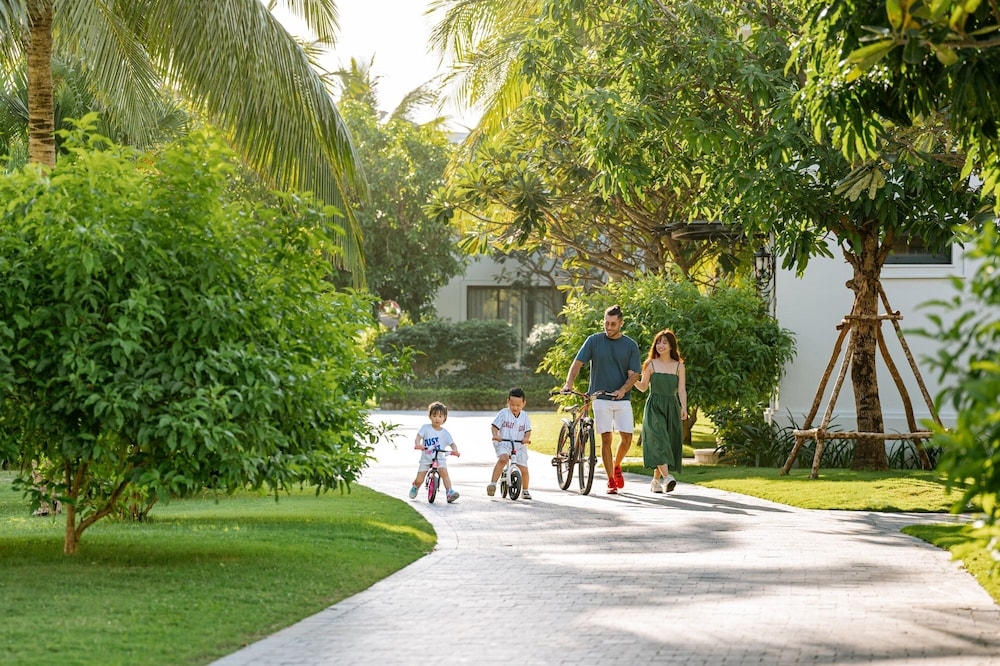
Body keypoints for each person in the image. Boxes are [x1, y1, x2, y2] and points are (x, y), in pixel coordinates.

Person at [561, 304, 642, 494]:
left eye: (613, 324)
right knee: (606, 438)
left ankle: (617, 464)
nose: (609, 327)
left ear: (621, 324)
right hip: (599, 397)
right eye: (606, 323)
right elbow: (577, 363)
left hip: (622, 399)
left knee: (627, 438)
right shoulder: (594, 341)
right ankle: (611, 480)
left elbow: (635, 374)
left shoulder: (630, 345)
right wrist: (569, 384)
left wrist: (622, 390)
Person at [634, 329, 688, 493]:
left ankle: (655, 481)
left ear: (671, 346)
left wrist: (684, 407)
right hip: (654, 406)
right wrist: (631, 379)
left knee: (667, 443)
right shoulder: (650, 364)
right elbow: (643, 387)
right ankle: (668, 478)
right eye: (658, 342)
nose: (660, 345)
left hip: (671, 407)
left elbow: (681, 390)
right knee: (659, 440)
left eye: (664, 342)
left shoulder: (679, 366)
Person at [409, 402, 461, 503]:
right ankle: (415, 486)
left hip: (439, 458)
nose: (437, 418)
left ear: (444, 418)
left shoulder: (445, 433)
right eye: (434, 416)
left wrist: (455, 450)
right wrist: (418, 444)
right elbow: (418, 437)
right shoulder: (426, 428)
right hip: (426, 458)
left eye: (440, 416)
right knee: (420, 479)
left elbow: (452, 444)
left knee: (445, 473)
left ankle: (449, 492)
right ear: (430, 416)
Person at [487, 387, 533, 500]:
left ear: (524, 404)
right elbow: (494, 426)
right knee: (503, 458)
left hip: (519, 445)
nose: (515, 408)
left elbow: (528, 430)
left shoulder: (525, 416)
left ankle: (525, 490)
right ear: (508, 402)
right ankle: (493, 484)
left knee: (524, 470)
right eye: (512, 404)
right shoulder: (504, 413)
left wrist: (526, 438)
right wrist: (496, 435)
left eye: (518, 405)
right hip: (504, 443)